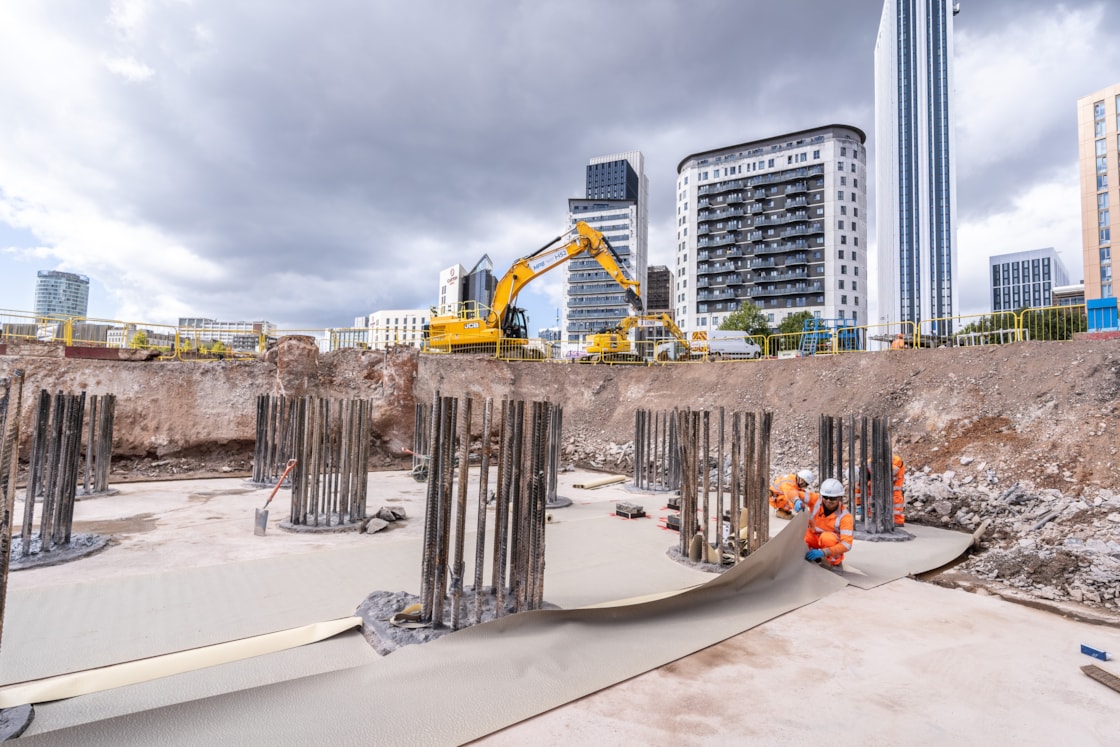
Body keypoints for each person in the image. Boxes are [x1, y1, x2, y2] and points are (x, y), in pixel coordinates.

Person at [804, 478, 854, 571]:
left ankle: (834, 563)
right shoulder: (815, 501)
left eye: (832, 498)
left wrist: (823, 552)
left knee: (827, 538)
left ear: (839, 497)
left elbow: (847, 544)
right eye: (825, 497)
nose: (828, 500)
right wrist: (796, 500)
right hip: (815, 538)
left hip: (829, 543)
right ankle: (812, 559)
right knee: (803, 534)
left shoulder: (845, 516)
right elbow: (796, 492)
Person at [892, 453, 906, 526]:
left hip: (896, 486)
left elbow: (894, 471)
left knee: (896, 502)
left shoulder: (896, 460)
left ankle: (898, 521)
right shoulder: (872, 460)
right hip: (891, 485)